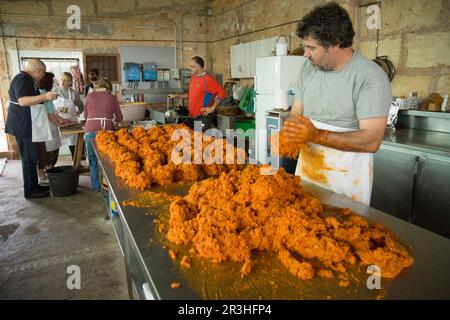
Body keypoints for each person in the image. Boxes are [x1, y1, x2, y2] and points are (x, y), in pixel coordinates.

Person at [283, 2, 391, 205]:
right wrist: (289, 129)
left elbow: (372, 140)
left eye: (311, 48)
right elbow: (296, 113)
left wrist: (317, 135)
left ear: (334, 45)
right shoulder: (309, 68)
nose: (305, 54)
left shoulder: (369, 77)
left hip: (347, 180)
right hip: (307, 174)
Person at [4, 59, 58, 199]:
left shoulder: (27, 79)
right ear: (38, 71)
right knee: (28, 158)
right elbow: (23, 101)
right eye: (43, 73)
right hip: (22, 124)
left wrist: (44, 98)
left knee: (32, 157)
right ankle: (30, 191)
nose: (42, 77)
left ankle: (34, 186)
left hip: (26, 123)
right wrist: (45, 96)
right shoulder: (23, 79)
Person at [84, 77, 123, 191]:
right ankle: (110, 186)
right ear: (108, 88)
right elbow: (120, 117)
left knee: (92, 159)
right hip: (108, 130)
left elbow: (86, 115)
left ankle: (96, 187)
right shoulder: (112, 97)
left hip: (90, 129)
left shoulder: (89, 96)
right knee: (109, 160)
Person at [168, 56, 226, 130]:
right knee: (195, 139)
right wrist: (176, 95)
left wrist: (213, 107)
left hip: (202, 117)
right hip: (192, 116)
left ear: (199, 67)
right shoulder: (193, 77)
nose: (190, 68)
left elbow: (222, 92)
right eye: (190, 66)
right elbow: (190, 95)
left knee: (202, 140)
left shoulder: (207, 79)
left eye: (192, 66)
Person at [35, 72, 70, 181]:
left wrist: (63, 120)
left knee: (50, 150)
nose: (54, 83)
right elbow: (50, 115)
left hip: (48, 126)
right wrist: (60, 123)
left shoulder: (44, 93)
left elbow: (53, 112)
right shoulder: (44, 94)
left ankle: (47, 168)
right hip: (45, 127)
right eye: (52, 81)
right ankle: (44, 171)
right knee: (45, 151)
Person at [55, 72, 84, 159]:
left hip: (71, 122)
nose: (63, 82)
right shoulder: (54, 92)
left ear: (70, 82)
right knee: (55, 144)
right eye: (61, 80)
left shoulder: (73, 93)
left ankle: (75, 161)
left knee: (73, 142)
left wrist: (79, 112)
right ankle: (51, 165)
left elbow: (81, 106)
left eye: (65, 80)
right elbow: (51, 108)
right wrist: (60, 110)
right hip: (57, 120)